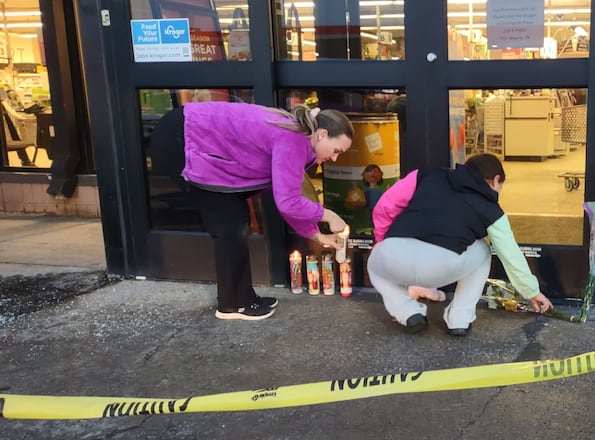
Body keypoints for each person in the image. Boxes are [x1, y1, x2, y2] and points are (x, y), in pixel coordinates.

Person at [150, 102, 353, 320]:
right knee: (231, 221)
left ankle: (242, 298)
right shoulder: (293, 140)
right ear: (322, 135)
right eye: (336, 151)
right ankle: (233, 305)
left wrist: (317, 235)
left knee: (234, 218)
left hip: (190, 133)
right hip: (181, 137)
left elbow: (289, 200)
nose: (335, 158)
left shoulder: (300, 139)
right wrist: (328, 215)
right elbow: (288, 202)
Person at [368, 153, 552, 335]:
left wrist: (381, 239)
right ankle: (459, 319)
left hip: (395, 255)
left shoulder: (424, 175)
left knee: (375, 266)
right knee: (483, 251)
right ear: (496, 180)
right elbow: (510, 254)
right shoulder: (491, 209)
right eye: (500, 187)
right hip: (439, 267)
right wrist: (532, 292)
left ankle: (408, 313)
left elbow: (385, 205)